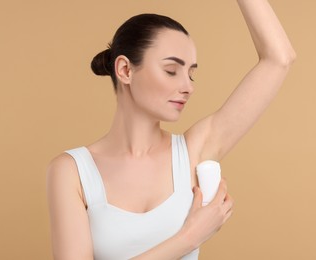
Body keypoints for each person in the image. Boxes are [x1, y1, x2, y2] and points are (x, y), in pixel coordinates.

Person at [46, 0, 296, 259]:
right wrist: (189, 238)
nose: (188, 86)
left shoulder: (193, 152)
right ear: (125, 70)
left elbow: (279, 59)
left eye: (191, 74)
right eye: (171, 70)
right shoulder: (71, 171)